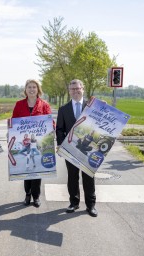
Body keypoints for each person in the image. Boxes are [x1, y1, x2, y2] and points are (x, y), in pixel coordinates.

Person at [56, 79, 98, 217]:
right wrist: (61, 145)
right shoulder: (63, 109)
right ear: (69, 91)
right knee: (72, 177)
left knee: (88, 176)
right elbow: (60, 129)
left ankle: (91, 205)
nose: (75, 91)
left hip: (88, 148)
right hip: (70, 149)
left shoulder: (92, 107)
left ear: (83, 89)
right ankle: (74, 203)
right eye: (72, 89)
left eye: (77, 88)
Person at [11, 79, 52, 207]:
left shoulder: (44, 105)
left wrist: (50, 133)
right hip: (24, 142)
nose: (32, 89)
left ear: (38, 89)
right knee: (26, 169)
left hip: (37, 143)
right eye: (29, 87)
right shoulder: (19, 104)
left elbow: (50, 123)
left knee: (37, 169)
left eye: (34, 87)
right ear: (26, 90)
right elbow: (14, 122)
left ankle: (36, 196)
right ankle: (27, 194)